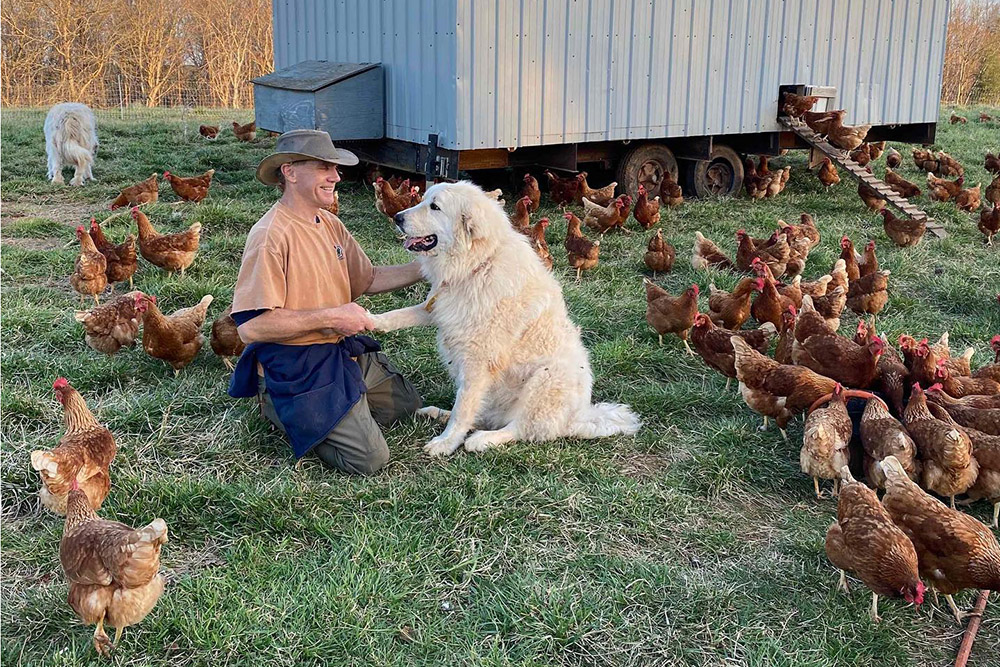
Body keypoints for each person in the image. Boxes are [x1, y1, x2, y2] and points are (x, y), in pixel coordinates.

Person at [228, 129, 423, 474]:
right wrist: (332, 317)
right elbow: (252, 328)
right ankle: (276, 402)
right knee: (369, 460)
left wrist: (431, 266)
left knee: (406, 405)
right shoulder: (270, 235)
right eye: (323, 167)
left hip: (338, 348)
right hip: (295, 362)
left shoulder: (329, 223)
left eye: (334, 168)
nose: (336, 176)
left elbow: (369, 278)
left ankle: (344, 403)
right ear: (289, 172)